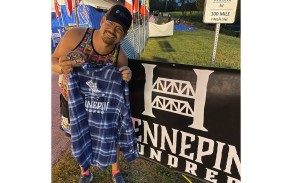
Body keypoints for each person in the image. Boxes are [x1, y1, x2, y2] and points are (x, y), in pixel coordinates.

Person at [51, 4, 138, 183]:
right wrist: (62, 66)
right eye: (111, 23)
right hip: (72, 100)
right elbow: (52, 60)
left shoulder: (120, 57)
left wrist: (125, 75)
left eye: (119, 29)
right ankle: (85, 172)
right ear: (103, 20)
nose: (113, 30)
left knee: (111, 134)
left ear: (124, 35)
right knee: (78, 135)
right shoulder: (76, 35)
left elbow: (121, 80)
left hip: (101, 105)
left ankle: (115, 171)